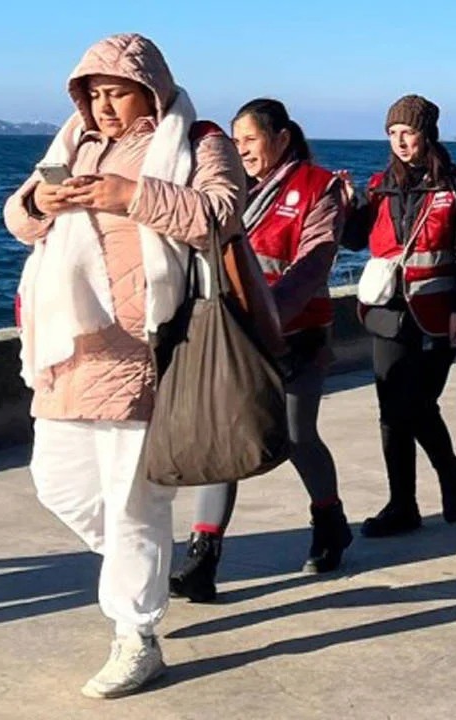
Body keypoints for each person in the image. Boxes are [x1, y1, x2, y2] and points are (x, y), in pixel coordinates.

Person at [2, 33, 246, 698]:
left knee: (134, 502)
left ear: (151, 89)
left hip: (148, 343)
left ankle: (136, 636)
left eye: (115, 92)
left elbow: (222, 213)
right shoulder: (71, 143)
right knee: (58, 482)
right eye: (93, 93)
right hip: (69, 346)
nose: (103, 107)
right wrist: (37, 205)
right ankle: (141, 572)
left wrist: (128, 195)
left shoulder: (196, 140)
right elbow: (18, 220)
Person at [168, 99, 351, 603]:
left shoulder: (320, 187)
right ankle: (202, 557)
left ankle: (330, 520)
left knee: (296, 436)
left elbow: (313, 262)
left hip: (296, 335)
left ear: (282, 138)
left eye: (249, 138)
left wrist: (268, 318)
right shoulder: (224, 189)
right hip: (228, 335)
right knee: (223, 440)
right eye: (235, 140)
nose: (241, 148)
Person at [342, 95, 456, 537]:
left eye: (408, 132)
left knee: (419, 404)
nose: (401, 141)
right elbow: (354, 240)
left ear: (427, 134)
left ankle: (450, 470)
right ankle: (401, 504)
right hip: (387, 312)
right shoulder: (379, 186)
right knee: (391, 410)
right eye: (393, 133)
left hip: (439, 313)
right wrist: (349, 206)